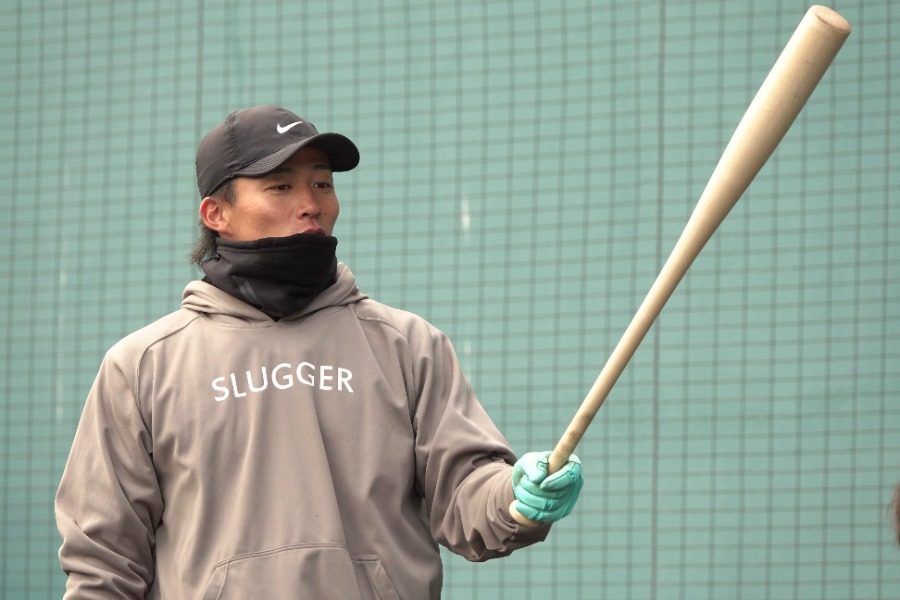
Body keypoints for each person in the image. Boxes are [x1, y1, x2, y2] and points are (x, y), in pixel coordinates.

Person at [55, 105, 584, 599]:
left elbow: (466, 494)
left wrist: (514, 497)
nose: (311, 203)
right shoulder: (143, 365)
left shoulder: (407, 346)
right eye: (281, 186)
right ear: (216, 213)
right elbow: (103, 559)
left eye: (322, 183)